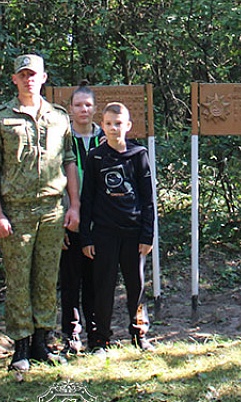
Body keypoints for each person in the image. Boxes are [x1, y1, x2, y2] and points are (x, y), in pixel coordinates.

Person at [0, 53, 79, 369]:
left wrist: (73, 205)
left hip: (51, 210)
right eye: (22, 74)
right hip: (16, 211)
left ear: (44, 77)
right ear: (14, 79)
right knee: (18, 280)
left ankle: (42, 342)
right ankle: (21, 346)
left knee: (47, 278)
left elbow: (69, 162)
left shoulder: (59, 117)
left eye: (33, 74)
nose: (28, 79)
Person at [80, 102, 156, 352]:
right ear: (102, 126)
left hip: (133, 233)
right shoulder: (96, 157)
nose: (114, 128)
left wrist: (147, 234)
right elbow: (87, 199)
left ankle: (139, 334)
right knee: (104, 287)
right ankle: (101, 339)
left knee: (136, 286)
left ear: (128, 126)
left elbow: (148, 199)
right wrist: (86, 237)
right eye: (109, 124)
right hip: (104, 233)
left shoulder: (138, 155)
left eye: (119, 124)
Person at [60, 84, 103, 354]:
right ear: (70, 109)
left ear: (94, 108)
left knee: (95, 281)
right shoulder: (62, 140)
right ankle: (71, 335)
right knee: (70, 281)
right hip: (70, 220)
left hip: (99, 223)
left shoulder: (104, 137)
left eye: (88, 105)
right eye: (78, 105)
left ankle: (97, 335)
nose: (83, 110)